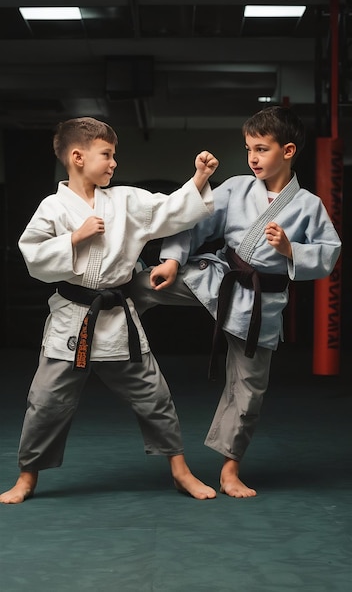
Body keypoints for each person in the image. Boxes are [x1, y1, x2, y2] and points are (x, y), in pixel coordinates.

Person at [0, 116, 219, 505]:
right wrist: (75, 237)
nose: (114, 162)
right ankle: (27, 476)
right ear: (78, 156)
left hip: (117, 318)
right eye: (107, 154)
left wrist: (199, 178)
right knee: (46, 402)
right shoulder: (53, 207)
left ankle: (180, 470)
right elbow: (32, 255)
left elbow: (168, 211)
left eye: (114, 155)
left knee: (155, 396)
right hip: (73, 320)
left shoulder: (125, 200)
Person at [130, 106, 342, 499]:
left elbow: (329, 253)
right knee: (144, 284)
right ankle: (113, 313)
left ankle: (230, 470)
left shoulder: (309, 205)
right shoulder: (236, 187)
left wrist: (291, 249)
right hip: (219, 280)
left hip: (262, 302)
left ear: (289, 150)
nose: (253, 158)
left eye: (261, 149)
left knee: (248, 389)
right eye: (248, 150)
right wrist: (173, 260)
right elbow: (194, 222)